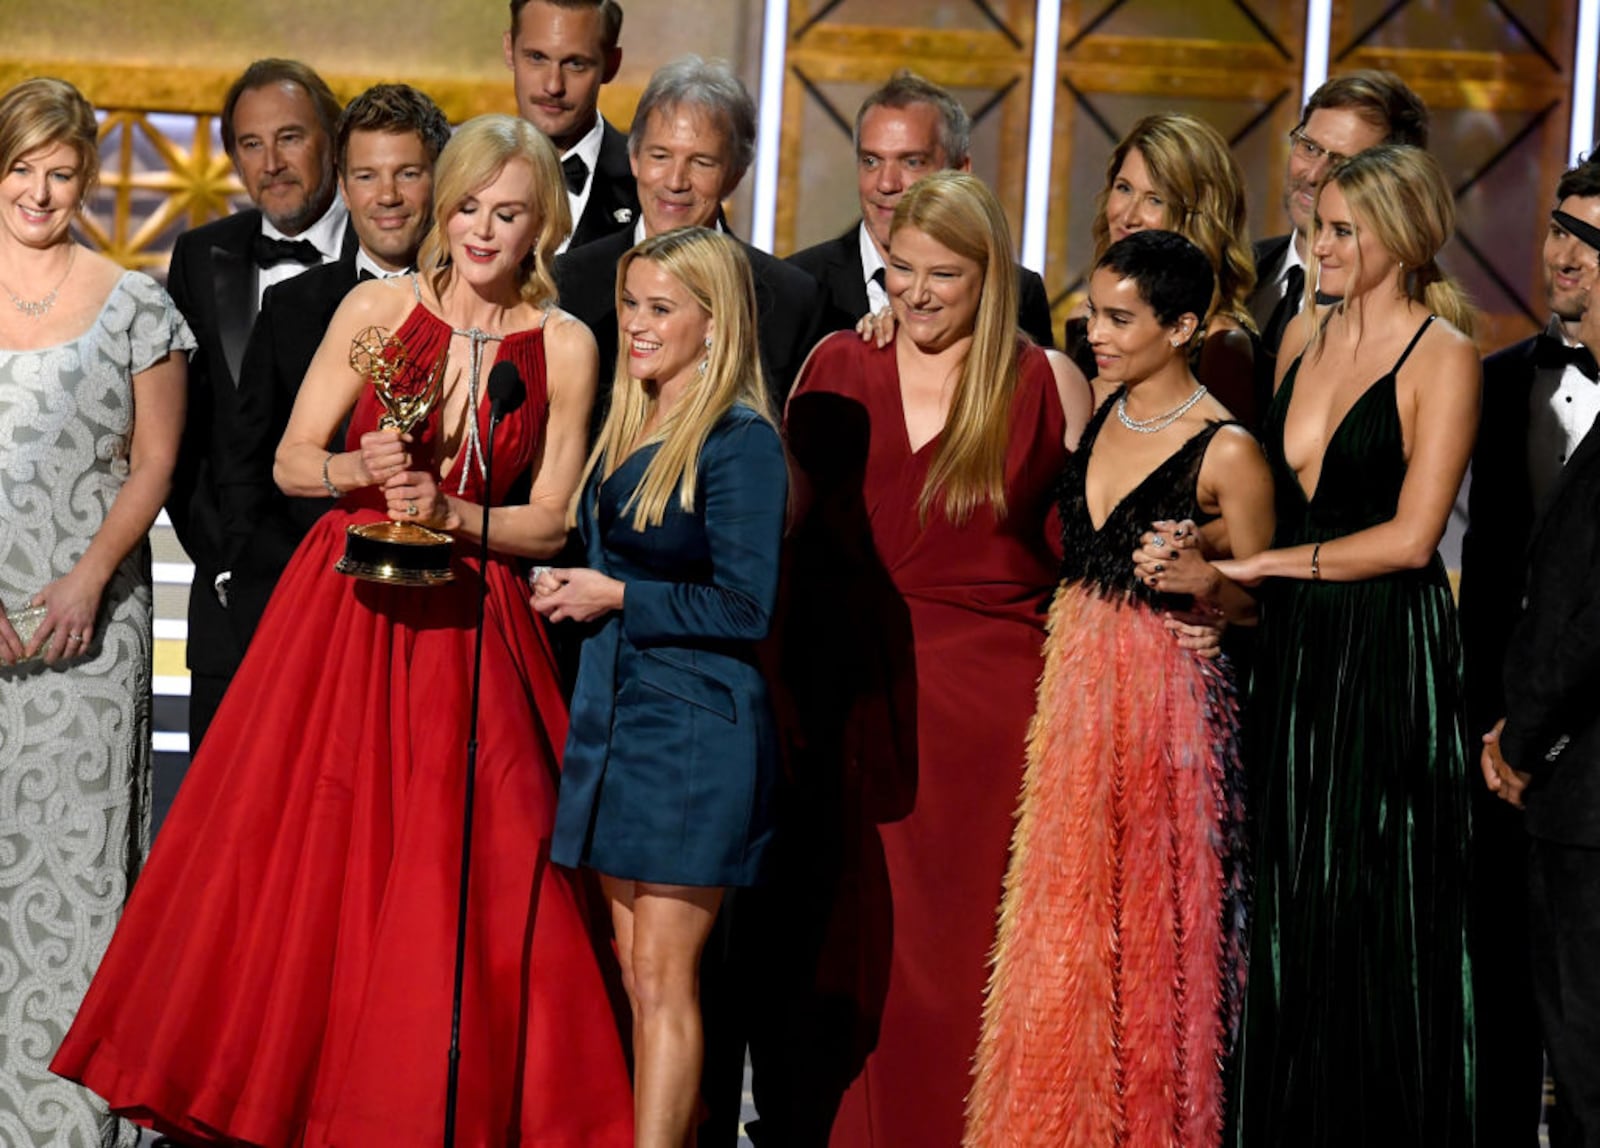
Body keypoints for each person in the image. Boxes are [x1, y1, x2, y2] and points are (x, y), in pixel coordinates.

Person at [51, 114, 633, 1147]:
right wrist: (366, 470)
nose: (484, 230)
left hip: (473, 630)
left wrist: (453, 513)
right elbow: (288, 460)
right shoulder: (375, 306)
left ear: (542, 218)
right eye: (468, 208)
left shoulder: (569, 342)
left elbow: (553, 517)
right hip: (347, 614)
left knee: (476, 868)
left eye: (508, 212)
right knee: (316, 858)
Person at [780, 170, 1094, 1147]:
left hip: (986, 725)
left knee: (963, 960)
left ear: (991, 274)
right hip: (846, 701)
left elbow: (1090, 557)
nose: (913, 293)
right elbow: (780, 536)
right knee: (843, 956)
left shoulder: (1047, 380)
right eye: (900, 271)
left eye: (941, 275)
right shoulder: (836, 359)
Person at [966, 229, 1273, 1147]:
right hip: (1073, 700)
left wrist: (1211, 586)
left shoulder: (1227, 451)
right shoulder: (1098, 408)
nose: (1094, 332)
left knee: (1149, 941)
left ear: (1182, 327)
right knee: (1063, 934)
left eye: (1118, 319)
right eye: (1094, 312)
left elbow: (1269, 599)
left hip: (1168, 712)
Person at [1221, 144, 1479, 1145]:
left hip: (1385, 660)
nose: (1317, 245)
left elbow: (1414, 537)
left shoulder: (1443, 353)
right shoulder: (1295, 338)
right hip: (1292, 661)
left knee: (1375, 916)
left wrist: (1273, 567)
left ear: (1400, 235)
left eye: (1339, 230)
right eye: (1318, 225)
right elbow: (1264, 501)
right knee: (1289, 908)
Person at [532, 224, 787, 1148]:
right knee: (634, 969)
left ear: (715, 325)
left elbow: (746, 605)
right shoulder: (630, 411)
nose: (635, 325)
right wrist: (572, 586)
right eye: (631, 304)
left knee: (668, 974)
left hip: (695, 733)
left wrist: (616, 592)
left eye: (661, 310)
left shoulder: (738, 439)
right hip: (617, 714)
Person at [0, 75, 189, 1148]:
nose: (40, 188)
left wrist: (86, 579)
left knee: (73, 866)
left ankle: (66, 1120)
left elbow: (155, 461)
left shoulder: (134, 302)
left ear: (87, 177)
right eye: (22, 167)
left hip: (86, 630)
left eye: (61, 170)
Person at [1459, 158, 1600, 1148]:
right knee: (1510, 1000)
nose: (1562, 255)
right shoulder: (1497, 382)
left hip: (1577, 767)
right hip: (1500, 755)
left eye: (1590, 242)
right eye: (1559, 228)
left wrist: (1535, 734)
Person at [218, 82, 451, 651]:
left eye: (409, 173)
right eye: (368, 176)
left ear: (443, 180)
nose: (387, 196)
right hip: (302, 597)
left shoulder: (483, 305)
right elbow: (245, 462)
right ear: (343, 186)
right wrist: (257, 579)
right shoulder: (291, 306)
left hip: (443, 598)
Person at [166, 57, 353, 750]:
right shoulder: (198, 256)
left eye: (291, 138)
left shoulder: (395, 255)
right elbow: (182, 440)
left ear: (333, 138)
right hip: (228, 602)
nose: (271, 163)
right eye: (251, 144)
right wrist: (225, 561)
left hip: (352, 595)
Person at [556, 54, 826, 437]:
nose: (676, 181)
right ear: (634, 158)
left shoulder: (790, 300)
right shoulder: (568, 284)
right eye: (660, 156)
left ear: (734, 175)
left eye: (701, 162)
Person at [786, 69, 1055, 347]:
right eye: (871, 161)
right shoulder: (798, 285)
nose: (887, 184)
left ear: (960, 170)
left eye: (911, 162)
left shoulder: (1016, 292)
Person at [1249, 70, 1428, 414]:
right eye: (1309, 147)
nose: (1313, 175)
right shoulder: (1234, 273)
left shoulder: (1417, 325)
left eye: (1342, 163)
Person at [1063, 113, 1260, 424]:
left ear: (1197, 218)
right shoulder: (1081, 320)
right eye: (1123, 188)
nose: (1128, 216)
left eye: (1155, 200)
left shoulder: (1220, 343)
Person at [504, 0, 638, 251]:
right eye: (537, 57)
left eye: (576, 64)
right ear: (509, 49)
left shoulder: (649, 186)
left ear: (612, 64)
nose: (553, 86)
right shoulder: (454, 170)